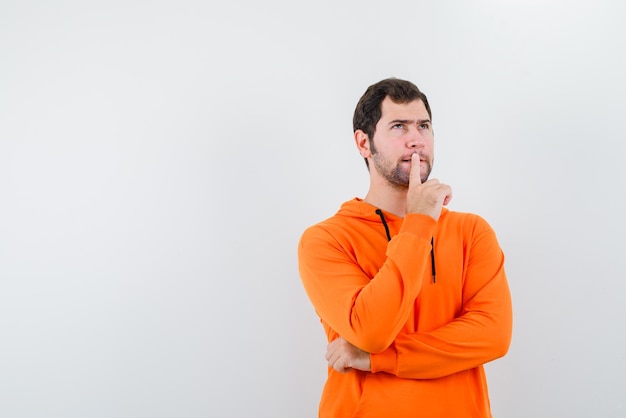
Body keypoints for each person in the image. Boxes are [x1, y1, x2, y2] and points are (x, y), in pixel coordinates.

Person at [297, 78, 513, 418]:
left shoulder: (471, 232)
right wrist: (420, 221)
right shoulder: (327, 239)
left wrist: (374, 360)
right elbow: (371, 330)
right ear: (363, 143)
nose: (416, 140)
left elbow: (493, 335)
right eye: (399, 127)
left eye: (423, 126)